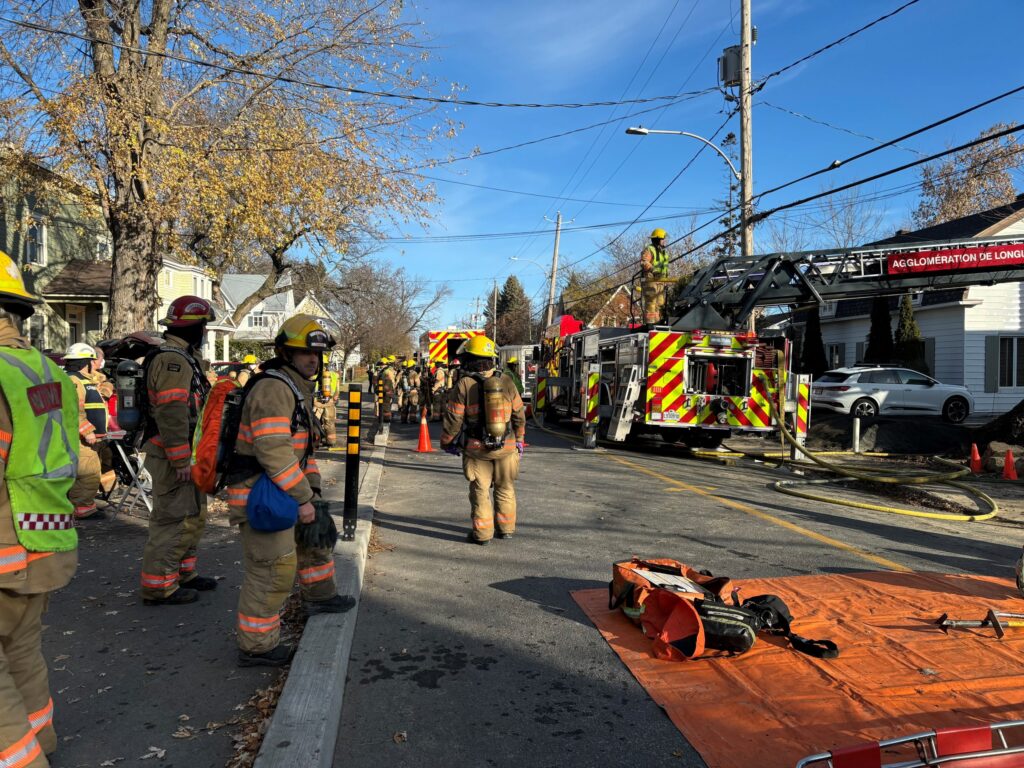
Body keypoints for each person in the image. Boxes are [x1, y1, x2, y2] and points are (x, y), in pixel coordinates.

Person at [226, 314, 355, 667]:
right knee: (273, 570)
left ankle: (320, 597)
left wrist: (311, 492)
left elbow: (301, 451)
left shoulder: (296, 387)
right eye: (304, 353)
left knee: (316, 540)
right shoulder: (274, 388)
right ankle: (257, 646)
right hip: (261, 496)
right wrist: (302, 499)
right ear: (286, 353)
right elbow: (273, 450)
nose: (313, 359)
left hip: (284, 486)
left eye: (317, 354)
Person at [0, 250, 79, 766]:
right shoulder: (46, 372)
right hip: (42, 541)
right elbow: (81, 462)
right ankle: (42, 742)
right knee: (23, 653)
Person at [139, 295, 217, 606]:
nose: (205, 332)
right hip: (173, 456)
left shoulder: (184, 358)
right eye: (203, 326)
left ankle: (184, 574)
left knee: (192, 516)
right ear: (194, 327)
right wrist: (181, 457)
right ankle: (159, 587)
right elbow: (171, 413)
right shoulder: (172, 361)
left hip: (187, 454)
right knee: (172, 520)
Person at [440, 335, 526, 545]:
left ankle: (483, 535)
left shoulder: (464, 384)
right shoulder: (506, 381)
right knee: (505, 488)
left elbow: (454, 419)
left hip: (477, 449)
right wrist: (520, 439)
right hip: (506, 447)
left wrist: (447, 442)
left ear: (469, 358)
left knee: (480, 492)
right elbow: (519, 414)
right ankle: (506, 529)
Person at [63, 343, 107, 521]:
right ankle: (83, 508)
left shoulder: (83, 380)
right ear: (85, 362)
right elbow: (73, 410)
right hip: (82, 439)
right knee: (87, 473)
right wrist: (87, 431)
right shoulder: (74, 381)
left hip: (89, 438)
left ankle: (82, 505)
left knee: (89, 471)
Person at [640, 227, 671, 325]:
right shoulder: (649, 249)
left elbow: (665, 268)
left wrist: (665, 281)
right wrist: (653, 269)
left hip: (661, 281)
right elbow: (644, 262)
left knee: (660, 303)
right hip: (650, 280)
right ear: (657, 239)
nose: (664, 241)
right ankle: (650, 324)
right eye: (662, 239)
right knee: (651, 302)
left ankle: (658, 323)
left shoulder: (663, 252)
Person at [399, 359, 420, 424]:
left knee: (405, 406)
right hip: (413, 392)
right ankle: (412, 419)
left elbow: (400, 382)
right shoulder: (414, 373)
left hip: (405, 392)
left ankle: (403, 420)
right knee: (413, 406)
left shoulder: (403, 373)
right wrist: (418, 387)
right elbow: (417, 383)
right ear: (413, 366)